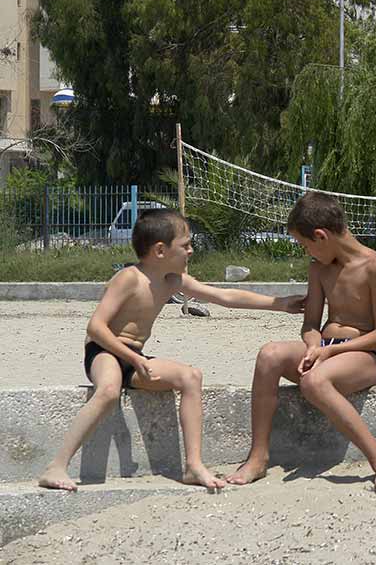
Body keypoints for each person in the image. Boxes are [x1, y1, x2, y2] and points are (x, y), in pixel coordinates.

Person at [37, 208, 304, 492]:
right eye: (186, 244)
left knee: (191, 377)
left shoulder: (172, 281)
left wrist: (279, 303)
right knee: (109, 390)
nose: (191, 250)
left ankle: (193, 466)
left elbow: (224, 296)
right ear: (160, 250)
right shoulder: (129, 277)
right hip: (105, 351)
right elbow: (96, 328)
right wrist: (132, 357)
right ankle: (56, 467)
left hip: (135, 358)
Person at [226, 192, 376, 492]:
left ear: (321, 236)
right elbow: (310, 324)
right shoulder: (319, 268)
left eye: (304, 244)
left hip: (363, 355)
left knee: (313, 382)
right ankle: (258, 456)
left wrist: (331, 350)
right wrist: (312, 346)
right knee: (269, 355)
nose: (305, 250)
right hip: (325, 348)